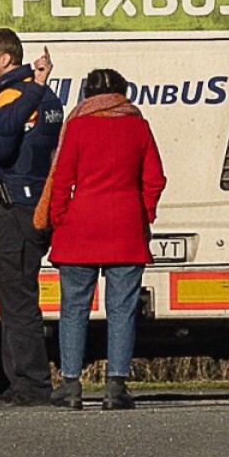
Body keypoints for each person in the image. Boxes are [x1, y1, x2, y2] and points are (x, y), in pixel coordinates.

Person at [41, 69, 165, 410]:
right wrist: (144, 213)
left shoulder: (77, 126)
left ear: (86, 94)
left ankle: (71, 385)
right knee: (122, 309)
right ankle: (115, 386)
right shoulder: (138, 126)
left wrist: (60, 218)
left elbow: (62, 178)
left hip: (79, 227)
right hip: (125, 226)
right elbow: (154, 178)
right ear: (123, 93)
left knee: (73, 309)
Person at [0, 27, 63, 407]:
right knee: (20, 295)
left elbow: (2, 142)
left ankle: (31, 384)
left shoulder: (15, 96)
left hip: (14, 207)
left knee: (16, 299)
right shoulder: (48, 96)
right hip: (37, 205)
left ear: (5, 59)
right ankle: (22, 383)